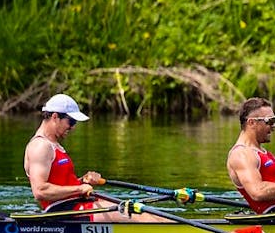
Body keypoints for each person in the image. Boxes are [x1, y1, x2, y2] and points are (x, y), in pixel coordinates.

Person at [23, 94, 168, 222]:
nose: (73, 127)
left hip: (75, 204)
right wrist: (80, 188)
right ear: (55, 117)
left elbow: (60, 182)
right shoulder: (40, 147)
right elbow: (40, 191)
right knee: (134, 214)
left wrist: (82, 181)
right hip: (63, 211)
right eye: (71, 122)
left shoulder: (53, 145)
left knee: (135, 209)